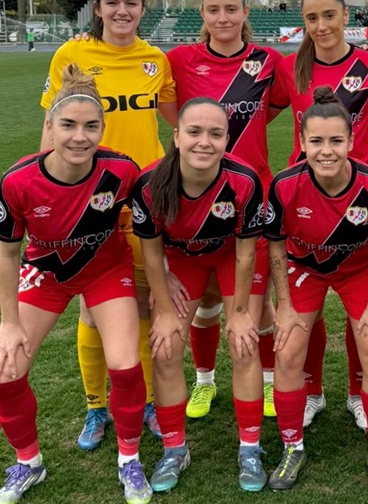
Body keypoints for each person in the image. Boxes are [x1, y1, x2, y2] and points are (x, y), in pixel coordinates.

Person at [0, 64, 152, 504]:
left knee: (124, 365)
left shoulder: (121, 171)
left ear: (103, 127)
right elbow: (6, 255)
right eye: (68, 125)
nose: (79, 136)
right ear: (49, 126)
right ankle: (28, 463)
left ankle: (129, 460)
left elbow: (151, 226)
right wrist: (9, 323)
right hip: (47, 276)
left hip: (106, 271)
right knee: (6, 372)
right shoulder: (18, 180)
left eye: (90, 126)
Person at [40, 0, 178, 452]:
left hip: (144, 194)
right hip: (89, 196)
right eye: (113, 2)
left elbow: (175, 119)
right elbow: (52, 126)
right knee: (94, 307)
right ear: (97, 8)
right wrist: (50, 190)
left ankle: (138, 404)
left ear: (143, 9)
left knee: (142, 299)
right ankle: (95, 406)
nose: (123, 11)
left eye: (132, 3)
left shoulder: (155, 59)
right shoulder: (71, 54)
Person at [269, 0, 368, 431]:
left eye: (329, 15)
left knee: (363, 305)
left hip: (357, 197)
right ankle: (312, 391)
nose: (321, 26)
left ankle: (361, 393)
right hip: (304, 196)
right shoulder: (289, 69)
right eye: (311, 18)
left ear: (346, 15)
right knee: (309, 308)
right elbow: (263, 112)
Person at [131, 98, 268, 492]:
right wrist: (165, 311)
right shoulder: (149, 183)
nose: (203, 142)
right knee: (166, 345)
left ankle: (249, 448)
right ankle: (175, 448)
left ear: (227, 139)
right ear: (176, 137)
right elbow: (152, 252)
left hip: (231, 257)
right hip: (183, 260)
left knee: (243, 344)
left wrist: (240, 312)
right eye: (194, 132)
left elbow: (245, 253)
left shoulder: (244, 181)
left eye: (215, 133)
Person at [264, 88, 368, 491]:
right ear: (301, 141)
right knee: (287, 350)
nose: (326, 151)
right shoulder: (285, 185)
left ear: (352, 142)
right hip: (305, 269)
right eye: (316, 141)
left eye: (336, 141)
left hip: (358, 271)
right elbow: (275, 242)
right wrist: (282, 306)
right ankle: (292, 446)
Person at [166, 0, 282, 423]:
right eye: (214, 10)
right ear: (202, 15)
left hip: (253, 194)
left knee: (258, 298)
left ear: (246, 12)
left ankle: (268, 382)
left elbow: (273, 108)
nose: (223, 18)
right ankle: (205, 380)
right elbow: (170, 113)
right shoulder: (178, 60)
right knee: (208, 297)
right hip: (192, 196)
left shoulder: (268, 61)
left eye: (232, 9)